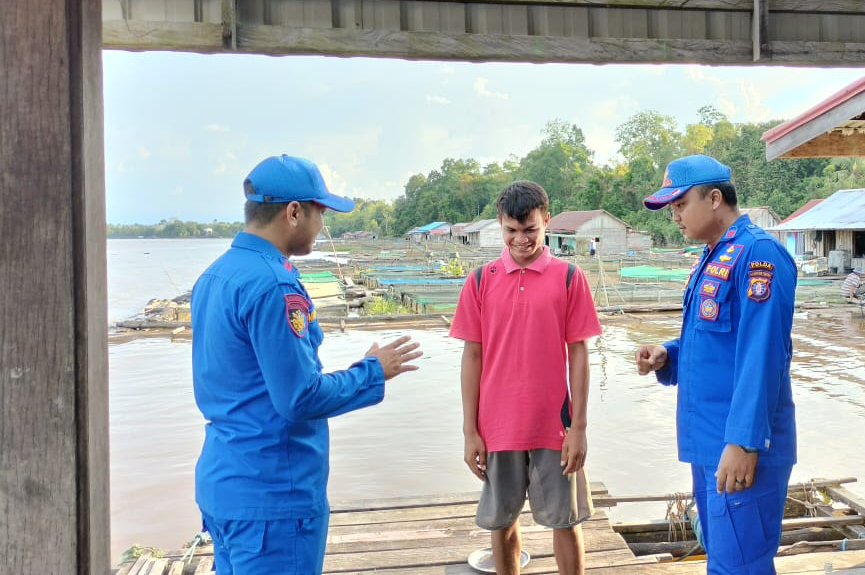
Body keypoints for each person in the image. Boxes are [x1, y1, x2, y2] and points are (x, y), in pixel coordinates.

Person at [191, 154, 423, 575]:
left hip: (224, 483)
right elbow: (299, 398)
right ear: (294, 212)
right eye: (321, 213)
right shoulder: (274, 285)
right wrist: (373, 370)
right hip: (273, 496)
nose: (322, 225)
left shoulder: (215, 275)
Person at [634, 155, 797, 574]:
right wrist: (669, 354)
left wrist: (744, 443)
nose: (675, 216)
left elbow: (763, 356)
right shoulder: (712, 256)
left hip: (740, 447)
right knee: (722, 562)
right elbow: (715, 339)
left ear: (714, 199)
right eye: (671, 208)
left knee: (741, 566)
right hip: (709, 444)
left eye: (680, 204)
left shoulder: (758, 254)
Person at [451, 180, 603, 575]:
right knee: (501, 521)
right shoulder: (480, 280)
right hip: (497, 426)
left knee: (565, 520)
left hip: (554, 425)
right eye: (512, 230)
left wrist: (579, 428)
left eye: (530, 229)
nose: (521, 239)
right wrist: (470, 431)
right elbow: (472, 357)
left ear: (546, 220)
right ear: (500, 224)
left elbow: (579, 354)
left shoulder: (569, 278)